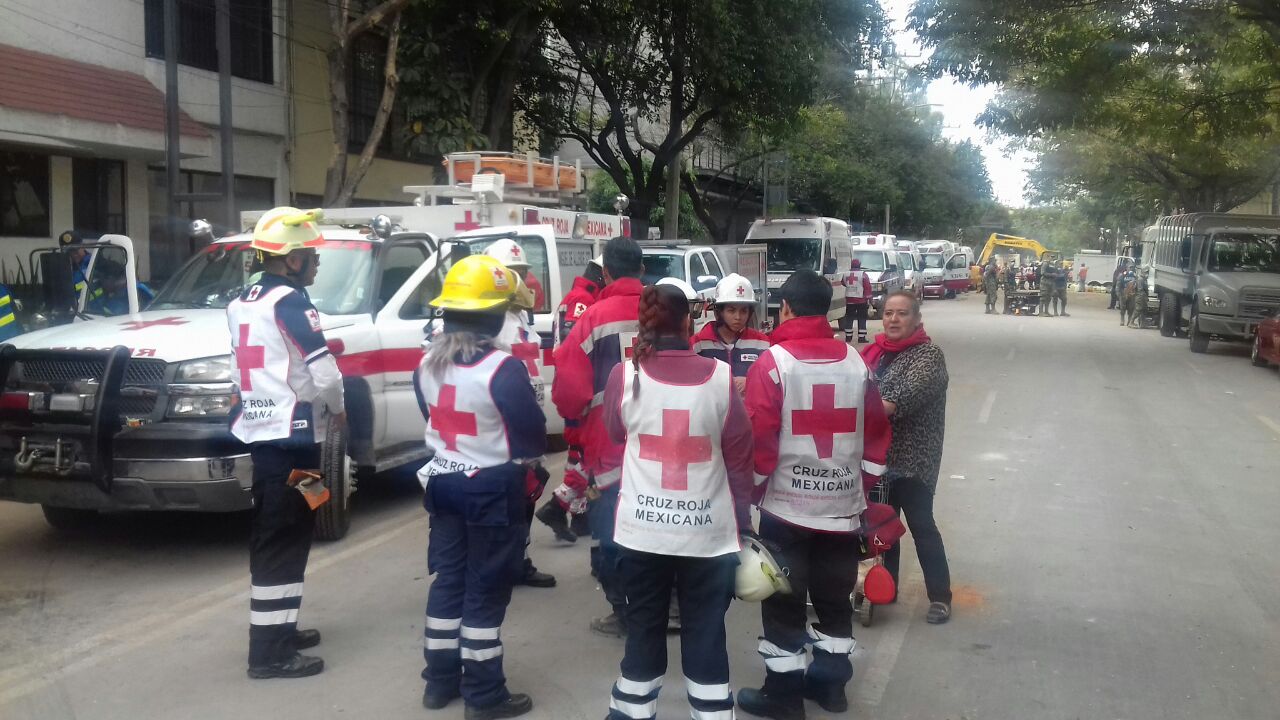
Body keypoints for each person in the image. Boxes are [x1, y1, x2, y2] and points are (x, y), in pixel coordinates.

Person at [737, 270, 892, 720]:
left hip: (786, 511)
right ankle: (831, 689)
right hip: (842, 511)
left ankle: (783, 697)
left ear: (785, 307)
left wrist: (752, 495)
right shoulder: (856, 362)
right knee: (834, 600)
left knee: (784, 604)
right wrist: (857, 488)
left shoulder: (774, 363)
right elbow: (877, 435)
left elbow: (760, 443)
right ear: (828, 308)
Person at [601, 282, 754, 720]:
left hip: (641, 532)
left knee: (643, 627)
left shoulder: (624, 376)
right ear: (690, 322)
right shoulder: (720, 378)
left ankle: (630, 712)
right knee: (706, 630)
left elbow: (615, 433)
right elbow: (739, 457)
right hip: (707, 534)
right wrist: (741, 523)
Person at [415, 254, 546, 719]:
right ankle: (485, 695)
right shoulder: (502, 369)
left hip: (442, 483)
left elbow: (429, 417)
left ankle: (439, 683)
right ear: (493, 315)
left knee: (449, 581)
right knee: (485, 589)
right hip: (490, 490)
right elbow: (531, 437)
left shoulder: (425, 364)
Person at [226, 207, 345, 680]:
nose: (316, 262)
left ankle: (282, 627)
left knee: (296, 526)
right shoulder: (291, 302)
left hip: (268, 441)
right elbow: (325, 372)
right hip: (293, 441)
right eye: (311, 255)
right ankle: (269, 654)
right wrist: (339, 409)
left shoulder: (241, 302)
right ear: (291, 260)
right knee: (283, 537)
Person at [552, 236, 645, 638]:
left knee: (611, 533)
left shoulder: (592, 318)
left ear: (605, 272)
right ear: (642, 270)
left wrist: (578, 422)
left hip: (609, 447)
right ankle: (664, 603)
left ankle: (624, 612)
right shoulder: (666, 312)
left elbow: (570, 393)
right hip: (665, 444)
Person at [860, 291, 953, 625]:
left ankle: (940, 597)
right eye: (888, 313)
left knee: (921, 525)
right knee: (882, 526)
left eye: (902, 313)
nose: (893, 319)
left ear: (917, 319)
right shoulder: (875, 353)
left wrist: (845, 407)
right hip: (877, 456)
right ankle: (887, 587)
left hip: (913, 459)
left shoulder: (928, 356)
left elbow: (896, 401)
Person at [487, 255, 557, 589]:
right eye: (512, 272)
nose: (520, 279)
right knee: (509, 496)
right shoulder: (490, 319)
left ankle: (519, 559)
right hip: (505, 421)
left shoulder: (520, 316)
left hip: (529, 413)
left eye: (523, 272)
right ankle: (503, 563)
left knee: (530, 489)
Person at [537, 257, 606, 543]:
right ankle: (559, 504)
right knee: (589, 453)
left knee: (577, 452)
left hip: (575, 388)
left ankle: (579, 514)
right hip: (578, 390)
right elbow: (574, 350)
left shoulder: (580, 297)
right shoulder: (581, 301)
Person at [692, 273, 771, 392]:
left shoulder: (763, 343)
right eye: (731, 310)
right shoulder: (698, 344)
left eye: (744, 311)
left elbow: (773, 380)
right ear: (718, 312)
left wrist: (751, 381)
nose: (738, 317)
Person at [486, 238, 545, 312]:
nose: (517, 281)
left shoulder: (523, 311)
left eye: (521, 275)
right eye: (511, 275)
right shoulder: (488, 312)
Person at [840, 259, 872, 343]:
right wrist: (869, 298)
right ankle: (861, 337)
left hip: (849, 300)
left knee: (849, 318)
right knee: (862, 318)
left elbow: (843, 283)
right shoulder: (863, 274)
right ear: (859, 265)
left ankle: (848, 337)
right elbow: (867, 287)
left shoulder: (845, 274)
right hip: (861, 300)